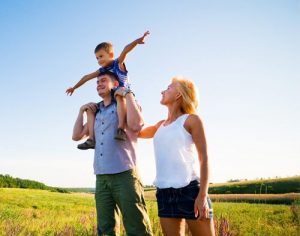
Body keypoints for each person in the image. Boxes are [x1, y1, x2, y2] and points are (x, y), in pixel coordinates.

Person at [72, 71, 153, 236]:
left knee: (137, 227)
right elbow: (76, 135)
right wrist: (81, 111)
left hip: (125, 175)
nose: (99, 84)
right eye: (97, 82)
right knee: (105, 229)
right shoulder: (97, 112)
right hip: (101, 177)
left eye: (103, 80)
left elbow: (137, 125)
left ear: (115, 84)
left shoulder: (125, 104)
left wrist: (127, 94)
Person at [139, 77, 215, 236]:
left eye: (168, 88)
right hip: (164, 193)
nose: (162, 91)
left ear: (179, 94)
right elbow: (136, 132)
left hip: (191, 191)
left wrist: (202, 195)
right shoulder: (159, 125)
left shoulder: (191, 120)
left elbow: (205, 159)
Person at [67, 31, 150, 149]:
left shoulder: (118, 63)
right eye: (97, 58)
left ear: (111, 54)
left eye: (101, 56)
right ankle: (91, 139)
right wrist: (74, 87)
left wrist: (137, 41)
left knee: (118, 95)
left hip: (123, 95)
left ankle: (120, 128)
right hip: (111, 98)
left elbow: (125, 50)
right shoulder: (102, 70)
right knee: (91, 110)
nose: (99, 60)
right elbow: (86, 77)